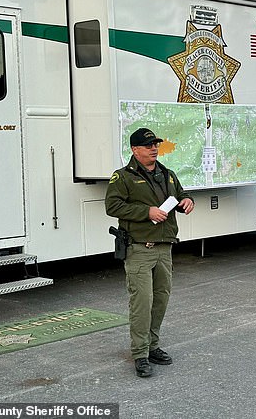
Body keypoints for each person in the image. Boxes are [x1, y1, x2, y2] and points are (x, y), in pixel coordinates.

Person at [105, 127, 194, 377]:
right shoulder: (123, 177)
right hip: (139, 249)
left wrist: (187, 201)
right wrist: (147, 212)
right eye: (148, 145)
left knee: (161, 300)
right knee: (141, 303)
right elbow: (112, 205)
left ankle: (153, 345)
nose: (154, 148)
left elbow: (181, 195)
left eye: (155, 144)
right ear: (135, 150)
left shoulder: (168, 174)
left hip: (164, 248)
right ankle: (140, 354)